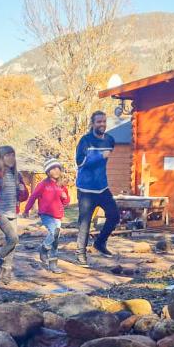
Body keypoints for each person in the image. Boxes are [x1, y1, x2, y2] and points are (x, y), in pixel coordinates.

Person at [74, 111, 120, 266]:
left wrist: (103, 156)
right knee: (85, 223)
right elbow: (80, 162)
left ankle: (100, 243)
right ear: (92, 124)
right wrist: (100, 156)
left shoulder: (110, 140)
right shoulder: (85, 141)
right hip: (86, 189)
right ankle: (80, 254)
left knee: (114, 216)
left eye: (104, 121)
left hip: (102, 187)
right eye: (99, 122)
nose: (102, 124)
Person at [0, 145, 29, 285]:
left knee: (12, 244)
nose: (11, 158)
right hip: (0, 213)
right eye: (7, 155)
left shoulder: (18, 175)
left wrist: (23, 190)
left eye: (12, 155)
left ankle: (6, 272)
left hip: (13, 212)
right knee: (13, 239)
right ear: (1, 158)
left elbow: (23, 197)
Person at [22, 158, 70, 274]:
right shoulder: (43, 185)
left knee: (55, 240)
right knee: (54, 232)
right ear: (48, 172)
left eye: (58, 168)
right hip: (46, 215)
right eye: (53, 168)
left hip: (58, 215)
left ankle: (53, 265)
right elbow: (33, 197)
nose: (57, 170)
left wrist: (64, 197)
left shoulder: (62, 186)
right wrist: (26, 210)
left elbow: (66, 202)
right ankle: (44, 248)